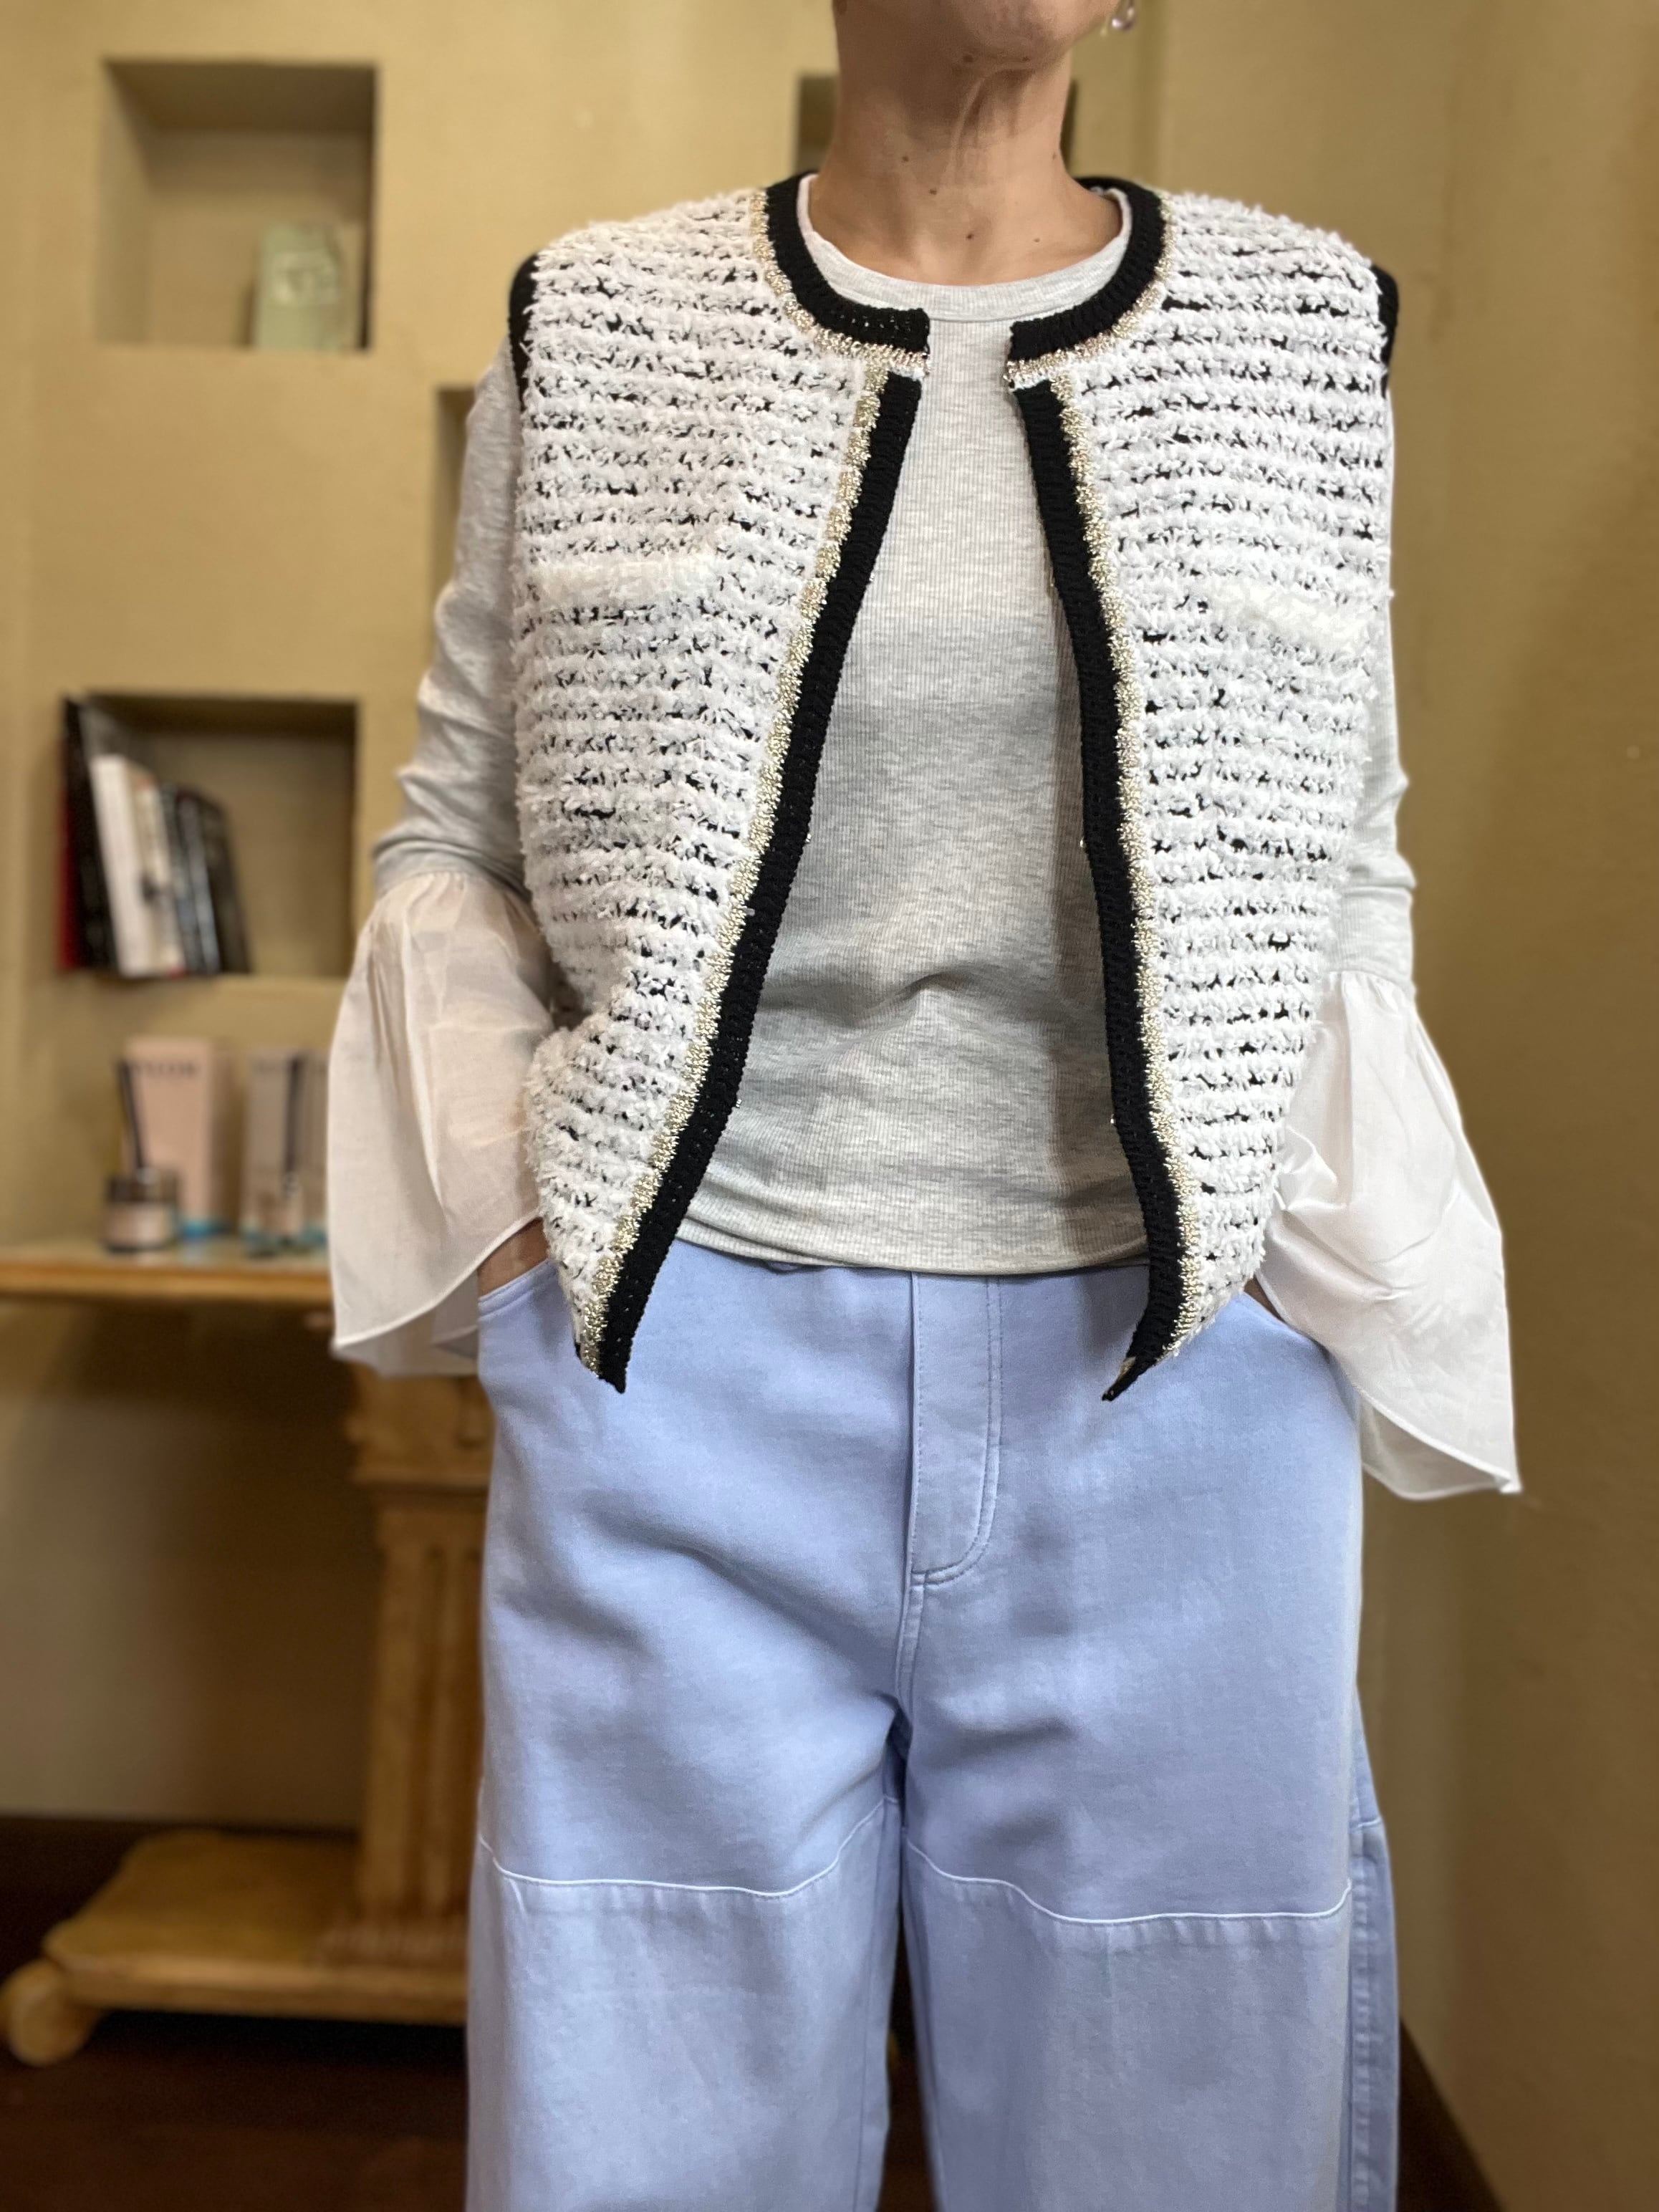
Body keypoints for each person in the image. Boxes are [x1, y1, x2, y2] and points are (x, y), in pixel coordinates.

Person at [328, 1, 1517, 2204]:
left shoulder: (1292, 326)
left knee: (1174, 2129)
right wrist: (522, 1249)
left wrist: (1290, 1262)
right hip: (680, 1362)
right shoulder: (602, 321)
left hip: (1172, 1383)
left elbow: (1344, 860)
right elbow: (454, 830)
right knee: (636, 2122)